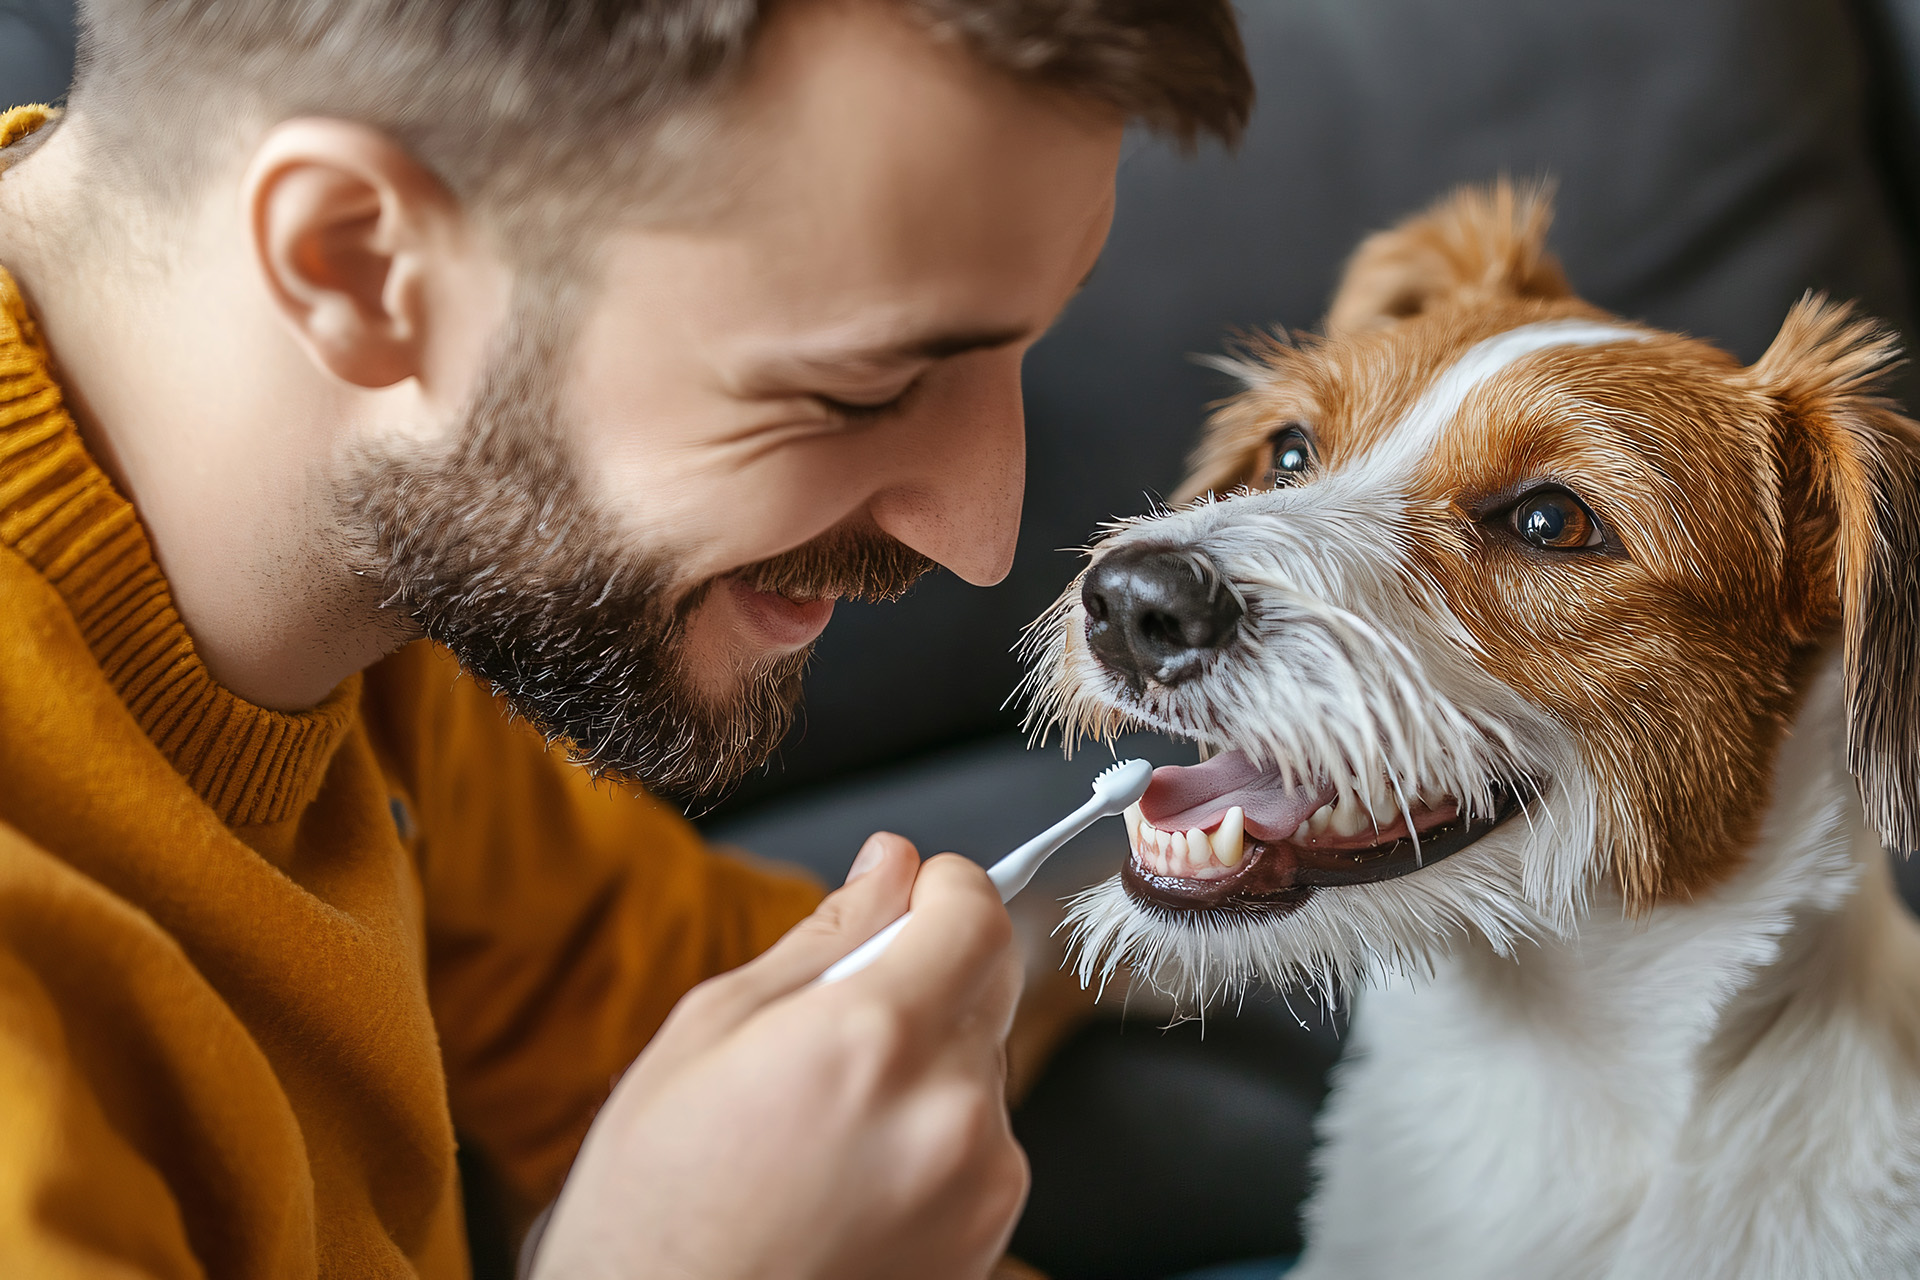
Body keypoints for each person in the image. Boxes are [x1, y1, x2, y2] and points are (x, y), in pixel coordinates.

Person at [0, 0, 1249, 1275]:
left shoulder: (393, 552)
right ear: (357, 262)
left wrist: (1074, 941)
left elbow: (655, 999)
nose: (982, 541)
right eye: (857, 389)